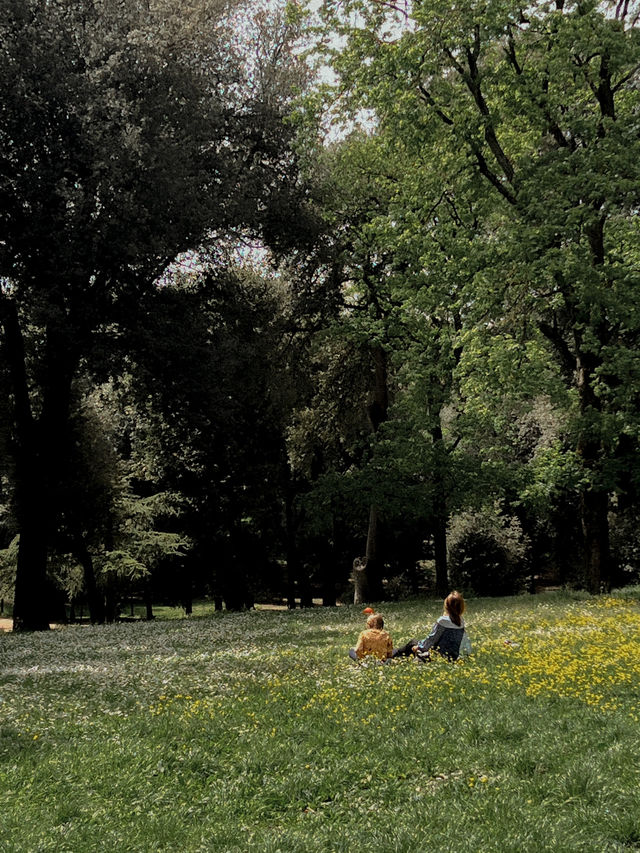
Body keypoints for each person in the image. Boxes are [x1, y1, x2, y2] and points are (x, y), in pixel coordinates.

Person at [392, 591, 469, 662]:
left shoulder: (443, 621)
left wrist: (419, 647)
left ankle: (388, 656)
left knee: (412, 643)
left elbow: (432, 640)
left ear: (447, 606)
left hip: (437, 656)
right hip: (452, 657)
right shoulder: (461, 622)